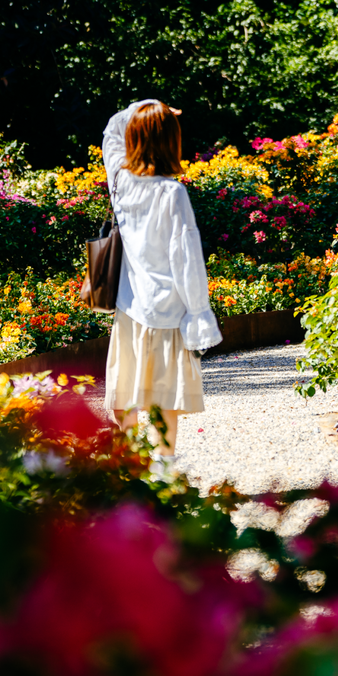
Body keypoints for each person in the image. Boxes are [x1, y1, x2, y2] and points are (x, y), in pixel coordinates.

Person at [102, 98, 222, 457]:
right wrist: (199, 312)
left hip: (129, 305)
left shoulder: (121, 183)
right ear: (170, 140)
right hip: (166, 310)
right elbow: (186, 258)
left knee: (125, 390)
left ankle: (127, 465)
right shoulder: (172, 192)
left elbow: (111, 131)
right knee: (164, 395)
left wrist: (146, 110)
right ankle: (164, 467)